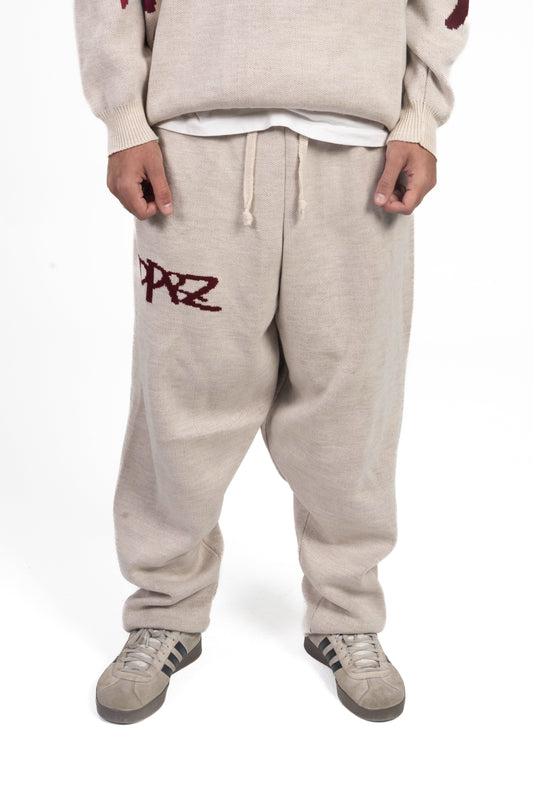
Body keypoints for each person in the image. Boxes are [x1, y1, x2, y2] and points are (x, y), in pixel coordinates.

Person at [74, 0, 469, 725]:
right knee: (182, 401)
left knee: (350, 404)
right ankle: (163, 608)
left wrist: (420, 116)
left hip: (363, 153)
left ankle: (347, 614)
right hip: (192, 150)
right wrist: (124, 119)